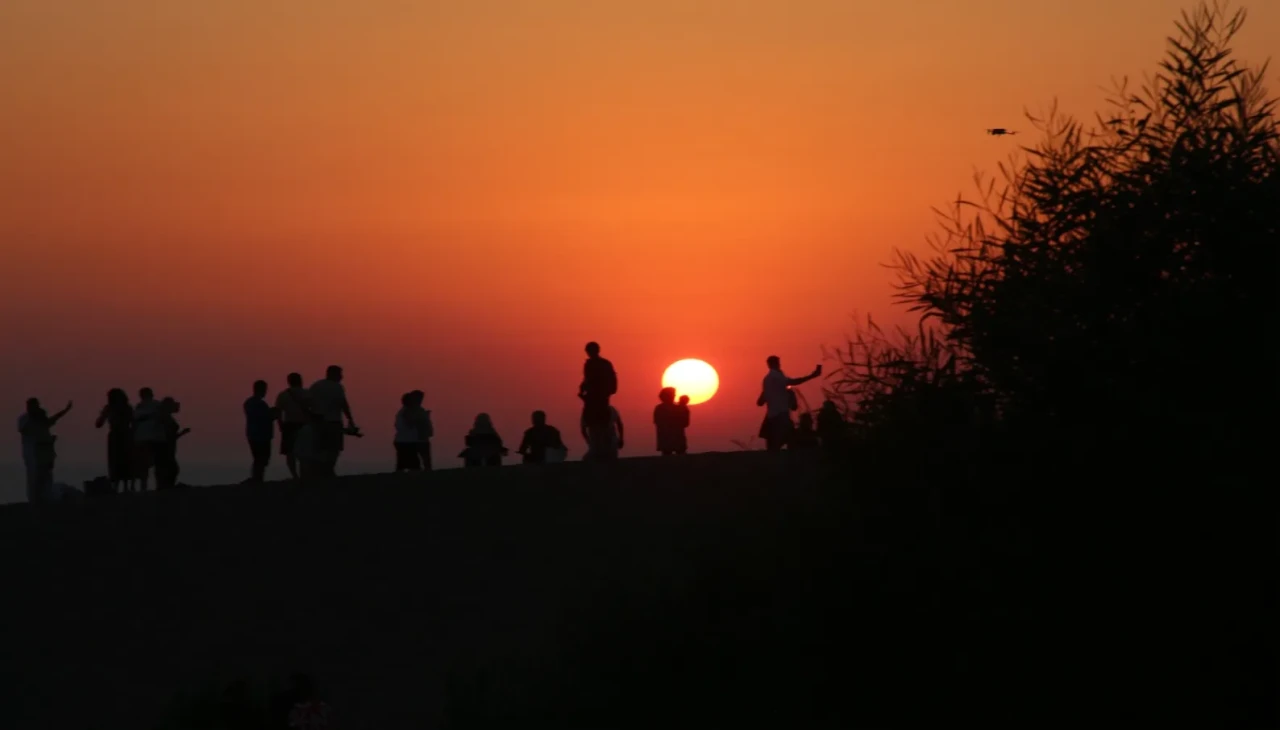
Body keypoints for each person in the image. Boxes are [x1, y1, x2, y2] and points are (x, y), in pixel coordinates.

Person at [756, 356, 822, 451]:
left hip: (771, 416)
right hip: (781, 415)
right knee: (790, 440)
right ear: (776, 364)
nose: (779, 365)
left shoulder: (767, 379)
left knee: (774, 446)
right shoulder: (777, 377)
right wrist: (812, 376)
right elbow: (794, 382)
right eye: (778, 363)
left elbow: (760, 401)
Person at [18, 398, 72, 504]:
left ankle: (47, 497)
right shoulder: (25, 419)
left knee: (46, 477)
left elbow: (51, 421)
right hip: (33, 454)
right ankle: (36, 500)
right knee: (34, 478)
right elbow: (24, 429)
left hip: (45, 453)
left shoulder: (41, 418)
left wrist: (65, 411)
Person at [308, 365, 358, 478]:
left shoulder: (316, 386)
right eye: (340, 374)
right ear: (334, 374)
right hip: (333, 421)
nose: (342, 376)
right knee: (334, 449)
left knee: (321, 448)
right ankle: (328, 471)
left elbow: (307, 402)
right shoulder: (337, 387)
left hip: (318, 422)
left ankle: (322, 471)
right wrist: (350, 419)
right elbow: (343, 404)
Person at [578, 341, 619, 461]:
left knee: (600, 423)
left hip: (599, 397)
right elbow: (587, 379)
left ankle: (601, 450)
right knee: (593, 424)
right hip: (595, 397)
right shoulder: (593, 364)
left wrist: (608, 391)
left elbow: (611, 379)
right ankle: (597, 449)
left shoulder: (602, 364)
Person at [95, 388, 135, 492]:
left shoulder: (110, 408)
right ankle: (125, 486)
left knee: (117, 460)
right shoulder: (126, 408)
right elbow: (134, 422)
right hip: (125, 435)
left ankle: (117, 486)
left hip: (118, 435)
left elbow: (98, 424)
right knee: (124, 460)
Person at [275, 372, 310, 480]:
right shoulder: (307, 393)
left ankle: (295, 475)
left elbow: (278, 412)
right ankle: (304, 474)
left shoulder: (283, 395)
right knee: (304, 452)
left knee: (290, 453)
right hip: (304, 425)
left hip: (288, 425)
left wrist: (280, 424)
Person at [133, 387, 166, 490]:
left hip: (145, 438)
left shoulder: (142, 406)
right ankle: (156, 486)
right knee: (154, 464)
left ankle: (145, 486)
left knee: (145, 465)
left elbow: (135, 422)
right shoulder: (155, 405)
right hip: (153, 438)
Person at [154, 397, 190, 489]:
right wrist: (182, 433)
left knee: (168, 469)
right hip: (166, 449)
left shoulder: (164, 417)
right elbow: (169, 436)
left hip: (166, 448)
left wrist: (182, 433)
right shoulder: (165, 418)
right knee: (171, 469)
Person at [244, 380, 275, 483]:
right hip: (261, 435)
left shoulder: (249, 402)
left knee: (258, 458)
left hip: (253, 434)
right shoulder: (260, 404)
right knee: (262, 459)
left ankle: (257, 478)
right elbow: (264, 418)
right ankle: (257, 479)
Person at [393, 392, 431, 472]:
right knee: (412, 465)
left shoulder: (406, 411)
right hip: (407, 442)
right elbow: (409, 424)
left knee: (404, 464)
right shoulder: (406, 411)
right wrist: (420, 420)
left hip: (407, 441)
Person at [653, 388, 685, 456]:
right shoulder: (660, 409)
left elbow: (684, 422)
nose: (674, 396)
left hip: (671, 438)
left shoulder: (659, 408)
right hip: (669, 438)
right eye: (672, 395)